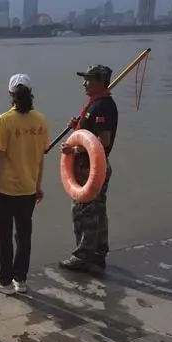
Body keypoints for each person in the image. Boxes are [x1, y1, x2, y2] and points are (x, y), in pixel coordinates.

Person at [0, 74, 49, 295]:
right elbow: (40, 157)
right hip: (28, 189)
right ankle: (20, 280)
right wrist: (38, 185)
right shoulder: (40, 120)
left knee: (4, 236)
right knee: (24, 234)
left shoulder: (5, 120)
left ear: (10, 95)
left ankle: (5, 281)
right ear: (31, 93)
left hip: (4, 189)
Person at [59, 64, 117, 274]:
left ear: (101, 82)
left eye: (89, 79)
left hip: (91, 168)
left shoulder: (102, 106)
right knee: (98, 211)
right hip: (94, 166)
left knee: (85, 212)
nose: (84, 83)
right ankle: (99, 253)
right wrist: (78, 126)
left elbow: (103, 141)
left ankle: (83, 256)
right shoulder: (96, 105)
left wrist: (74, 151)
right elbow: (89, 133)